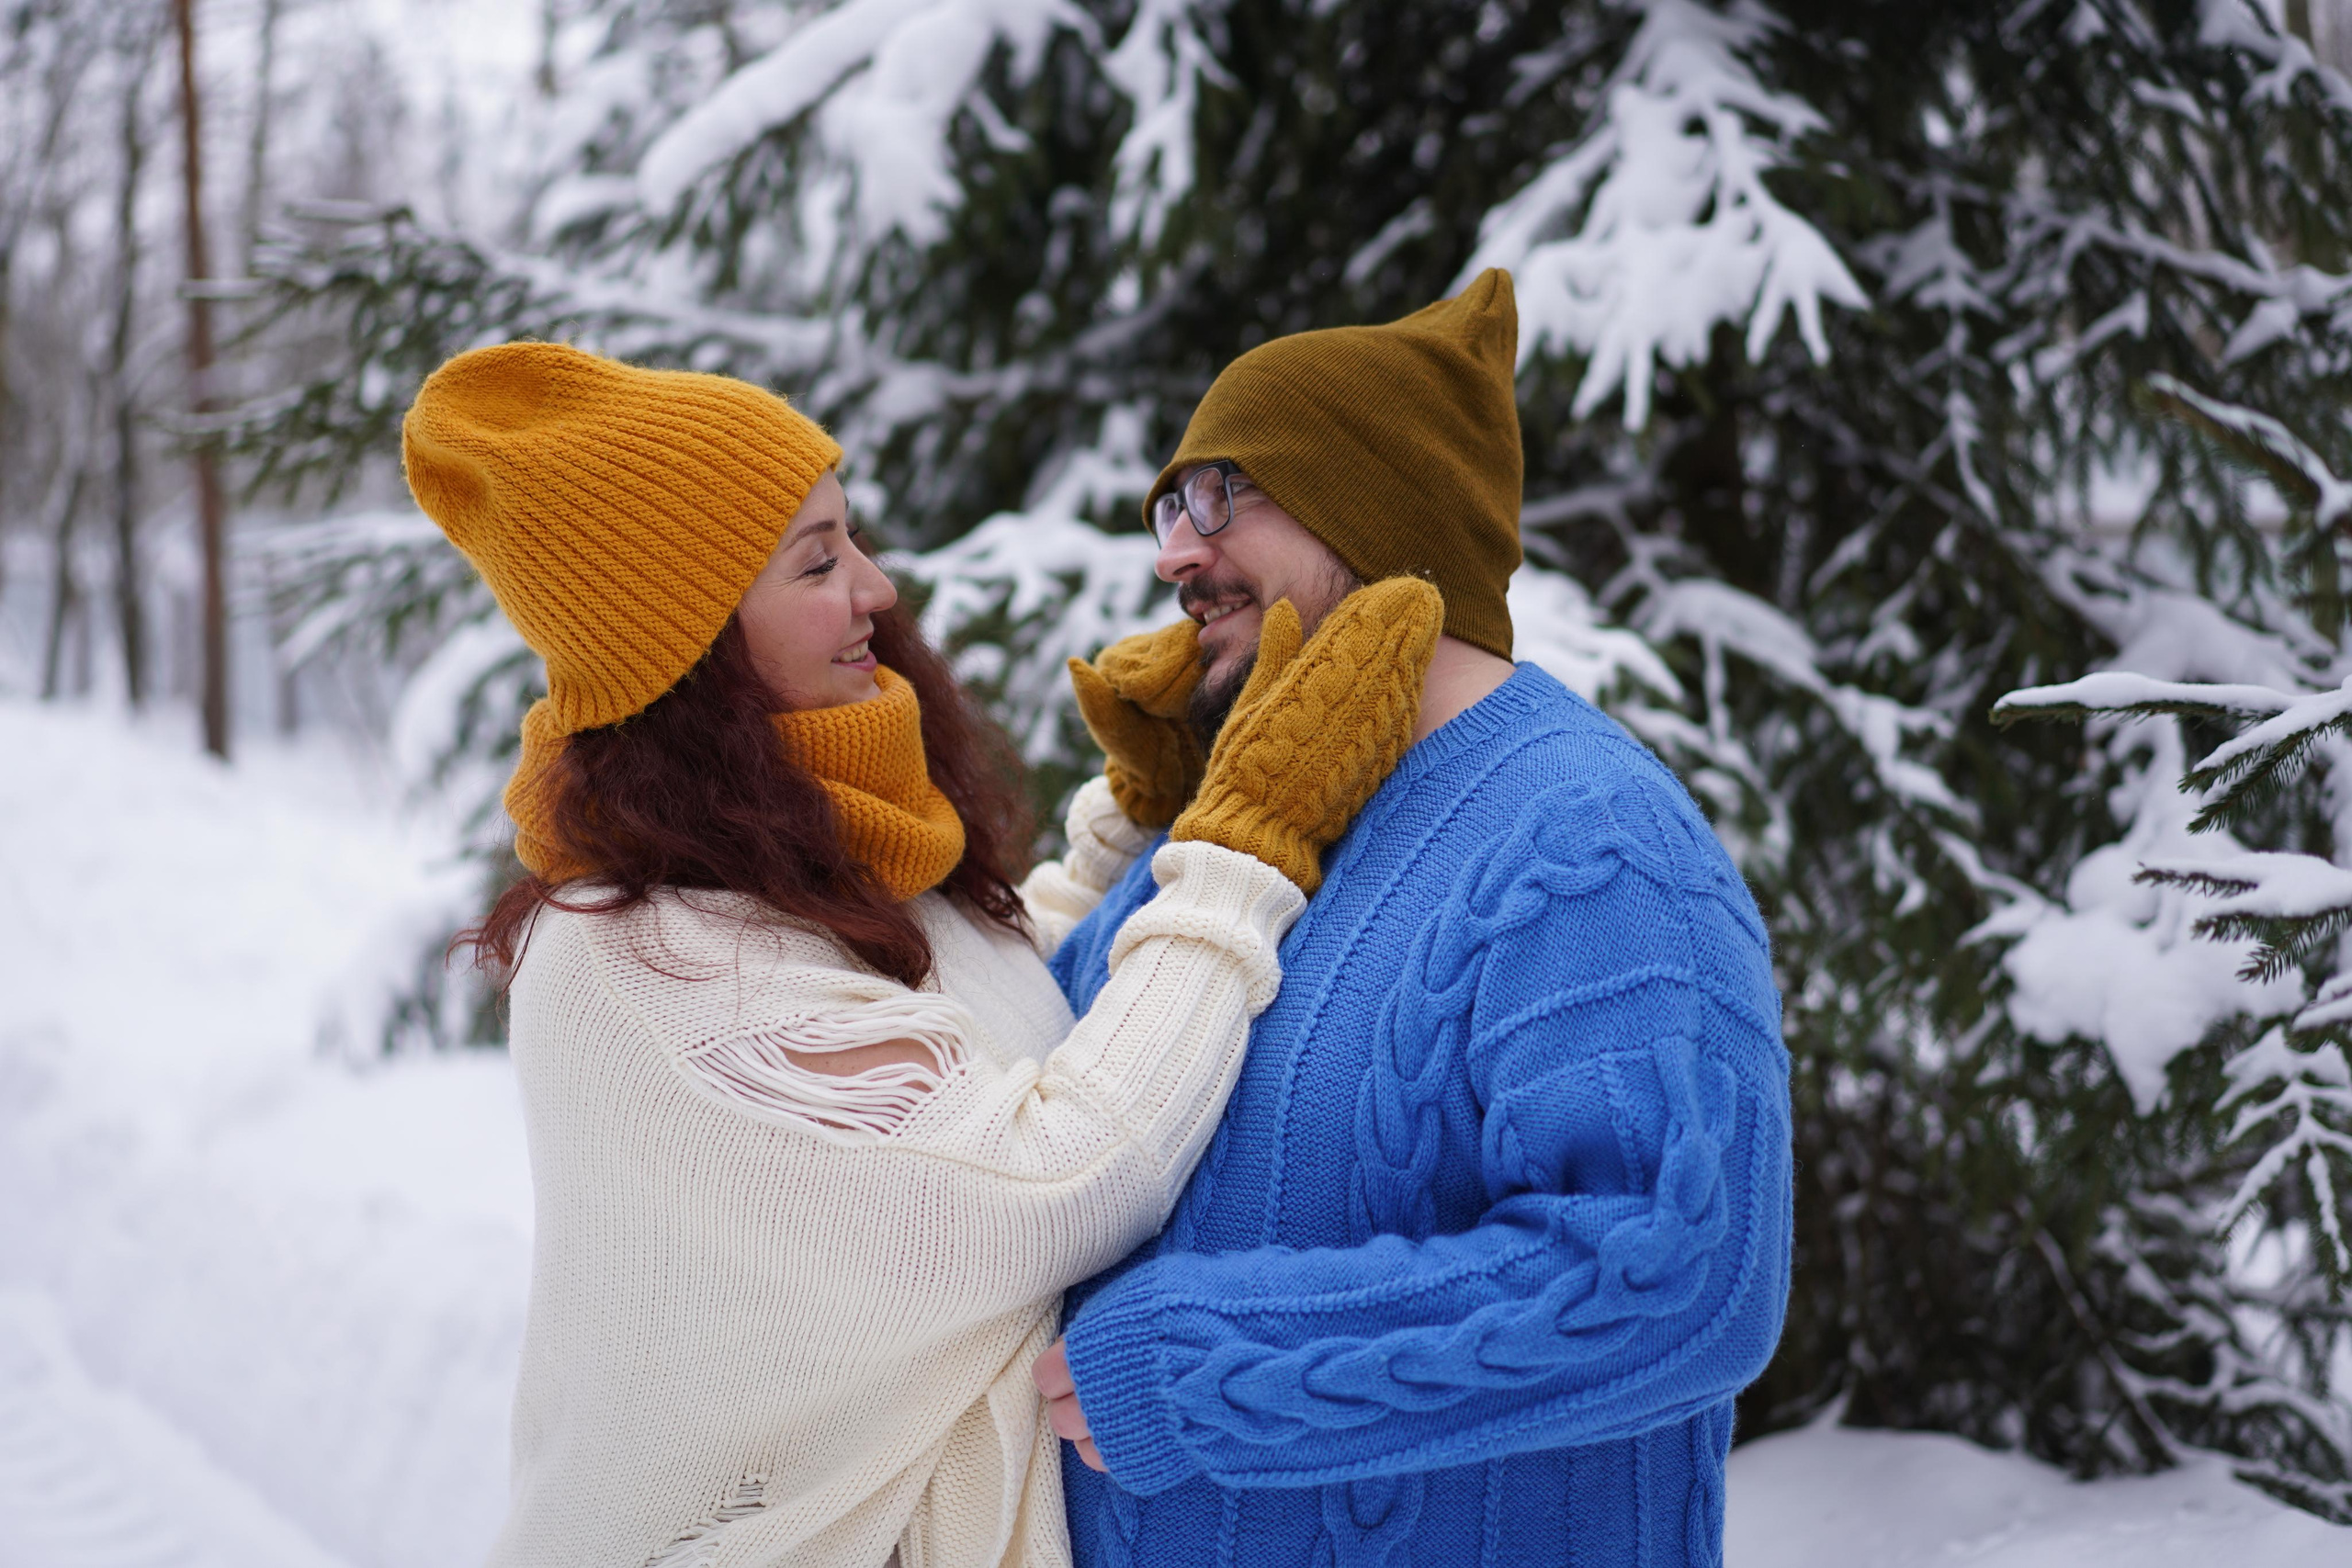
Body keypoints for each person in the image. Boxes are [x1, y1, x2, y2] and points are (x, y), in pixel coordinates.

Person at [399, 341, 1443, 1568]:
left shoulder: (795, 857)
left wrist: (1133, 829)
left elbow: (985, 1021)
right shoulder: (649, 968)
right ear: (692, 649)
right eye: (819, 561)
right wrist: (1241, 844)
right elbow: (1045, 1178)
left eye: (852, 538)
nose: (876, 589)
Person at [1032, 271, 1794, 1568]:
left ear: (1369, 503)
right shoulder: (1241, 820)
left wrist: (1211, 1370)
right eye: (1170, 504)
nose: (1174, 554)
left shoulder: (1588, 841)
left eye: (1222, 493)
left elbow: (1680, 1269)